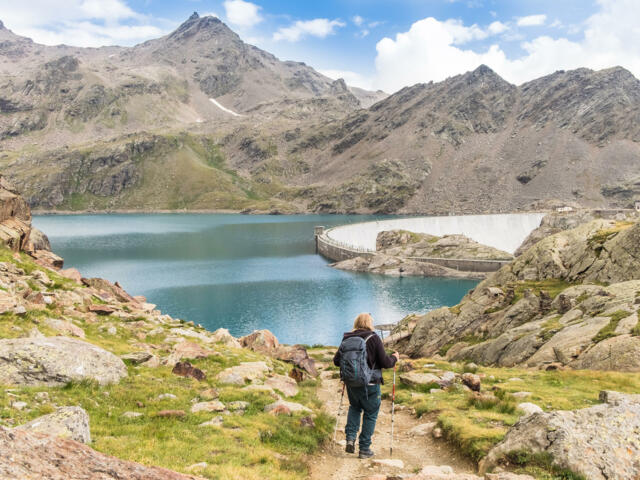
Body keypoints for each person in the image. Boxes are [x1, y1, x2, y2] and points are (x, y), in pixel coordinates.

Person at [333, 312, 399, 459]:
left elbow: (336, 361)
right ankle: (364, 449)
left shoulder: (347, 338)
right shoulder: (374, 338)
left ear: (356, 323)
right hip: (371, 384)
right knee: (370, 414)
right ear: (370, 323)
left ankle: (350, 439)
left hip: (352, 384)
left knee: (355, 408)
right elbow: (385, 362)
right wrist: (395, 358)